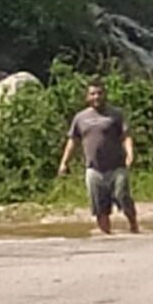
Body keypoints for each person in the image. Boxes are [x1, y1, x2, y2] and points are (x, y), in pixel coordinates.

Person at [57, 78, 139, 234]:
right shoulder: (80, 118)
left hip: (117, 167)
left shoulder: (116, 114)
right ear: (87, 97)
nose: (97, 97)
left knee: (123, 197)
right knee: (99, 206)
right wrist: (64, 163)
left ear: (105, 94)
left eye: (99, 93)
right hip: (94, 169)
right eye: (93, 94)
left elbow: (126, 135)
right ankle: (106, 234)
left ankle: (134, 226)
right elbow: (72, 141)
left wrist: (130, 153)